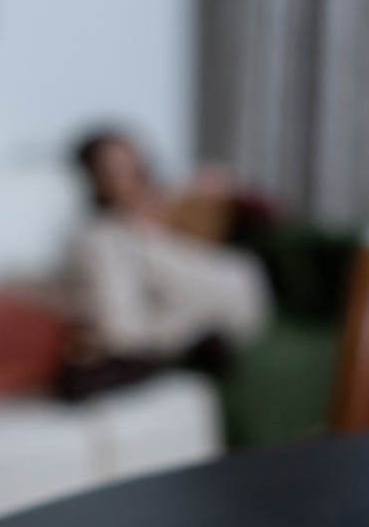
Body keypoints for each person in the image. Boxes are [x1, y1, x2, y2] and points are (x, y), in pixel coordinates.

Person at [60, 129, 272, 395]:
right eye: (114, 170)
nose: (132, 177)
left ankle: (176, 351)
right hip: (190, 318)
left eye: (135, 166)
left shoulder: (176, 206)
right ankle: (183, 350)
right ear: (94, 180)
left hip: (231, 296)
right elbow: (119, 322)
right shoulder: (103, 235)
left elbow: (263, 213)